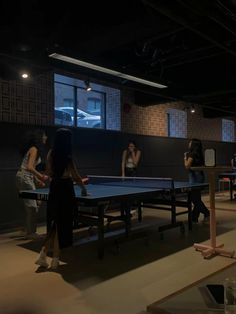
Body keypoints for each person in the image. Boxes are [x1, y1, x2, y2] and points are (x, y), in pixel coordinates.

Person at [35, 128, 88, 270]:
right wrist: (83, 188)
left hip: (55, 187)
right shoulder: (68, 156)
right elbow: (75, 175)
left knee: (55, 221)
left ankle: (43, 253)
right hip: (65, 188)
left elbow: (49, 172)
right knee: (61, 223)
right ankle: (55, 259)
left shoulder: (51, 153)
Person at [16, 129, 48, 239]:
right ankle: (31, 233)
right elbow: (29, 167)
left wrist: (37, 180)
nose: (46, 138)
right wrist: (41, 176)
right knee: (33, 206)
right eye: (44, 136)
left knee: (35, 204)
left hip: (25, 177)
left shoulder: (35, 150)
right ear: (40, 138)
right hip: (24, 177)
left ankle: (26, 230)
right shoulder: (34, 149)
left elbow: (30, 168)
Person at [184, 138, 210, 223]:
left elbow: (187, 166)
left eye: (190, 142)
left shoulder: (191, 154)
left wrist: (185, 158)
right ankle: (194, 217)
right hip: (200, 176)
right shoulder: (200, 154)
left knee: (194, 198)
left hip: (194, 177)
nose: (189, 144)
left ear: (193, 145)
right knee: (196, 198)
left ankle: (206, 213)